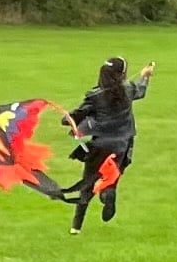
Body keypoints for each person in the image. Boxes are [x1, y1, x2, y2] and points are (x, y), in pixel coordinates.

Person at [61, 57, 154, 234]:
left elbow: (75, 116)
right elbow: (140, 91)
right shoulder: (129, 89)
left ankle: (76, 226)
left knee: (88, 182)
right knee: (111, 176)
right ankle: (107, 192)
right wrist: (145, 76)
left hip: (100, 144)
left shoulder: (95, 95)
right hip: (123, 144)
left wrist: (67, 119)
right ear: (122, 74)